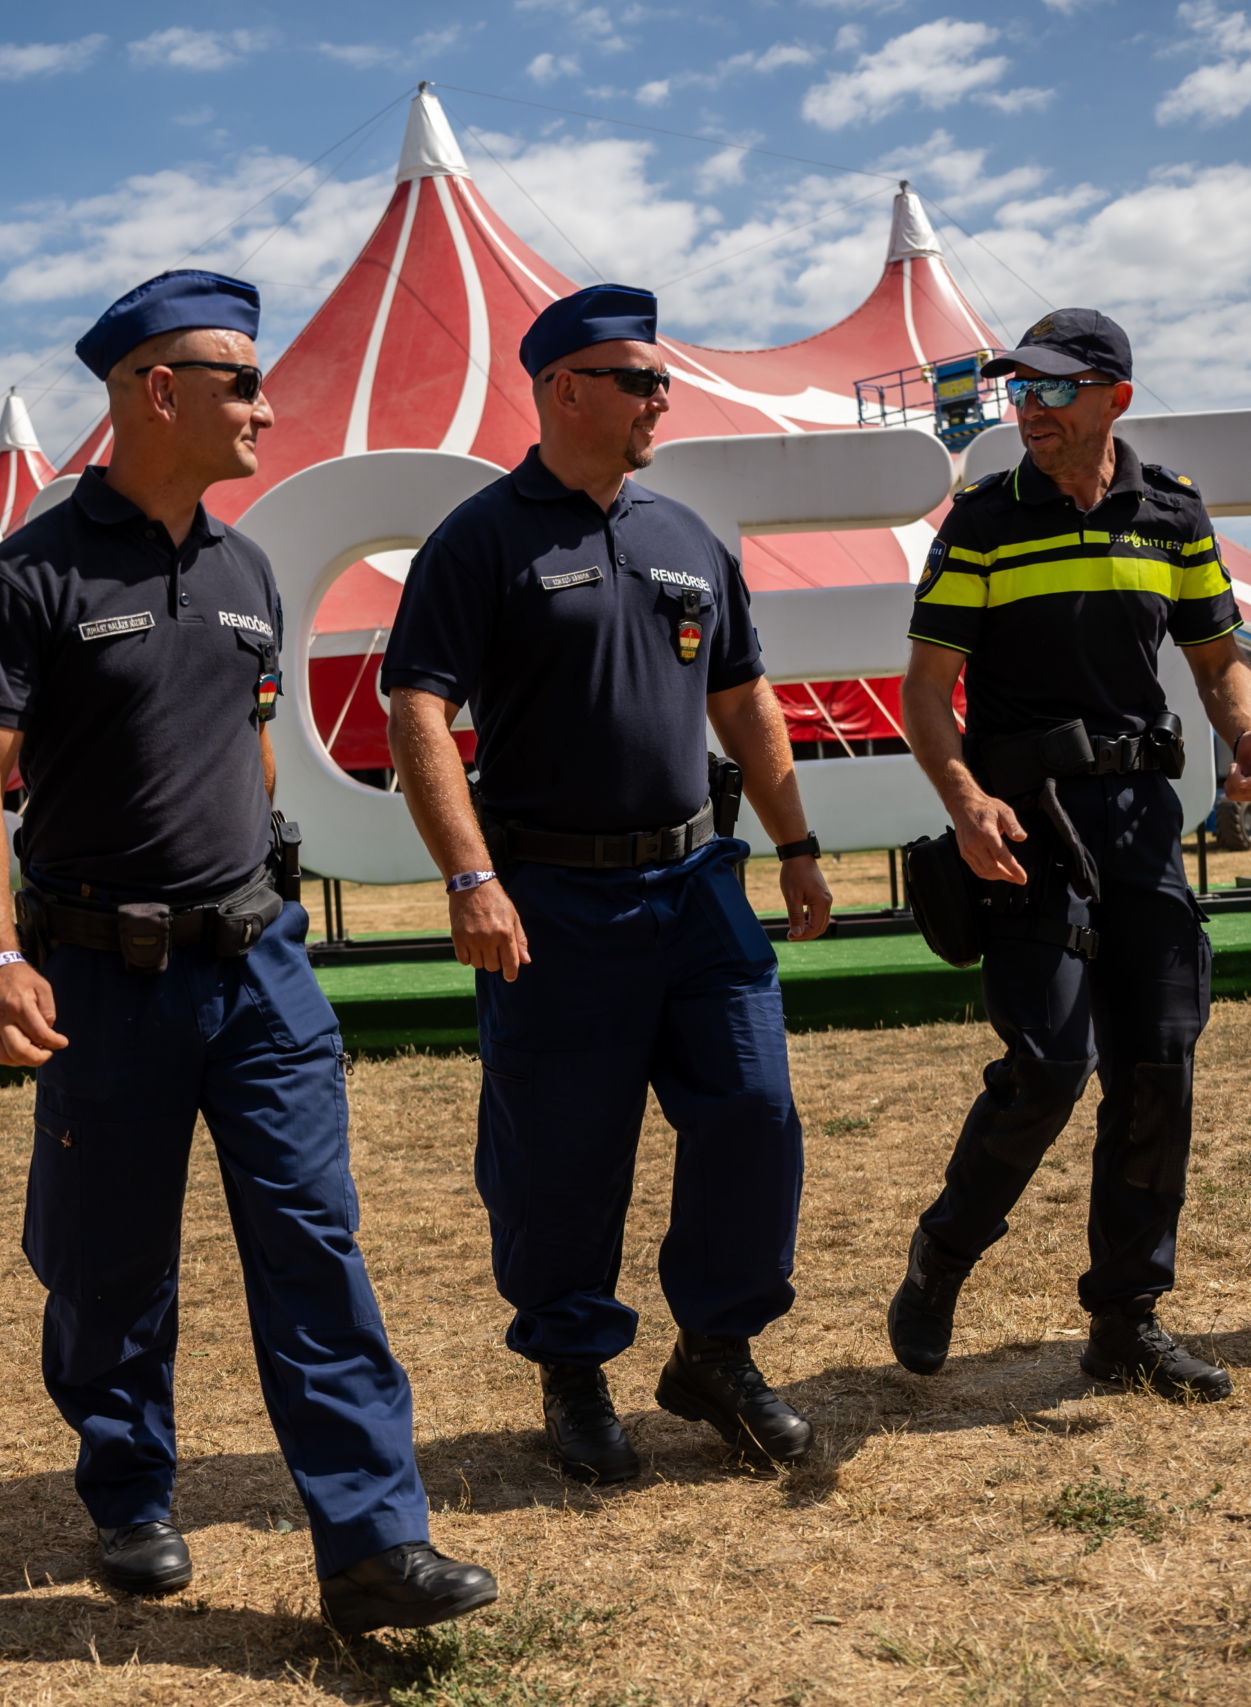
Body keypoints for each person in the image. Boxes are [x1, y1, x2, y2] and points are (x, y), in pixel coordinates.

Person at [0, 269, 496, 1636]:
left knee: (315, 1239)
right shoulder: (28, 577)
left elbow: (244, 738)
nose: (264, 399)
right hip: (99, 973)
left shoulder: (248, 572)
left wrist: (266, 870)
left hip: (259, 968)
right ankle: (129, 1490)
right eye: (238, 377)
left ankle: (371, 1542)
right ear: (155, 391)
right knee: (110, 1256)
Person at [382, 284, 834, 1484]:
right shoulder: (480, 539)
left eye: (662, 380)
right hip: (550, 900)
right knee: (563, 1153)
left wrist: (794, 846)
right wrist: (469, 876)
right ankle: (573, 1377)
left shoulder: (688, 537)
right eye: (639, 380)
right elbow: (416, 709)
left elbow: (744, 700)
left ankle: (717, 1352)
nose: (660, 399)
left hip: (697, 883)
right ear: (565, 388)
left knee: (753, 1111)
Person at [886, 309, 1251, 1401]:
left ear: (1114, 396)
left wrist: (1247, 726)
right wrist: (964, 802)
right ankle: (942, 1257)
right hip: (1025, 833)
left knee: (1159, 1068)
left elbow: (1215, 659)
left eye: (1055, 391)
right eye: (1023, 391)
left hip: (1142, 829)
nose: (1031, 411)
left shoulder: (1171, 514)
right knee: (1052, 1066)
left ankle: (1124, 1321)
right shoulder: (980, 521)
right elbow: (925, 694)